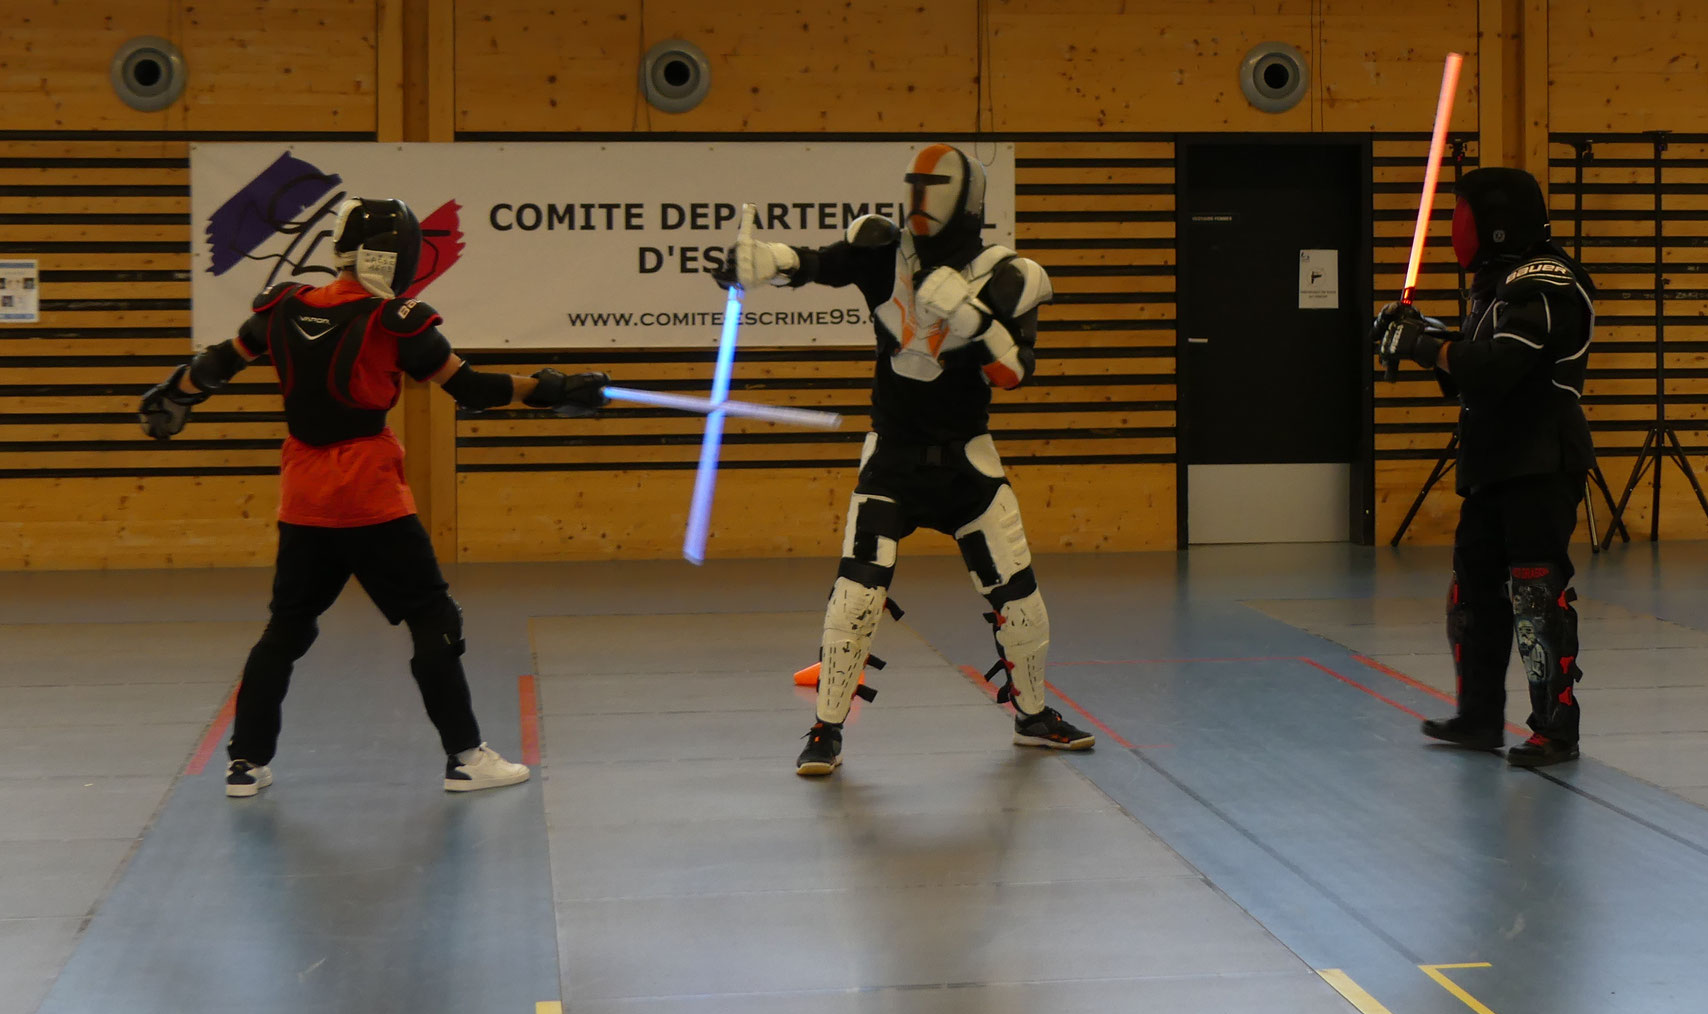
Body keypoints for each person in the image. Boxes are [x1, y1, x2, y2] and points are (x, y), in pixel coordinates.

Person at [139, 197, 609, 798]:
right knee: (433, 618)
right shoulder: (395, 320)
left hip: (304, 496)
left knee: (286, 629)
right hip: (368, 494)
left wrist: (173, 394)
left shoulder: (283, 307)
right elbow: (471, 388)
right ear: (398, 254)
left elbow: (215, 365)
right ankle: (466, 758)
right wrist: (553, 389)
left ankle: (245, 765)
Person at [724, 144, 1095, 776]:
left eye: (933, 186)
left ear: (966, 198)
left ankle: (1033, 717)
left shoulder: (1010, 274)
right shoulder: (882, 250)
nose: (919, 199)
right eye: (913, 184)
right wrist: (770, 262)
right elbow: (819, 263)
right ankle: (826, 730)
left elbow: (1015, 372)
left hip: (967, 463)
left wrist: (972, 319)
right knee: (855, 600)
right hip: (893, 459)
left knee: (1021, 602)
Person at [1375, 167, 1596, 768]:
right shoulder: (1496, 286)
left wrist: (1428, 347)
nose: (1456, 228)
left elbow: (1500, 367)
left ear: (1496, 223)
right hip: (1494, 459)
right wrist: (1424, 339)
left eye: (1463, 214)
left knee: (1535, 594)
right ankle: (1478, 718)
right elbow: (1471, 372)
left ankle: (1556, 730)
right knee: (1472, 593)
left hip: (1540, 459)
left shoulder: (1545, 281)